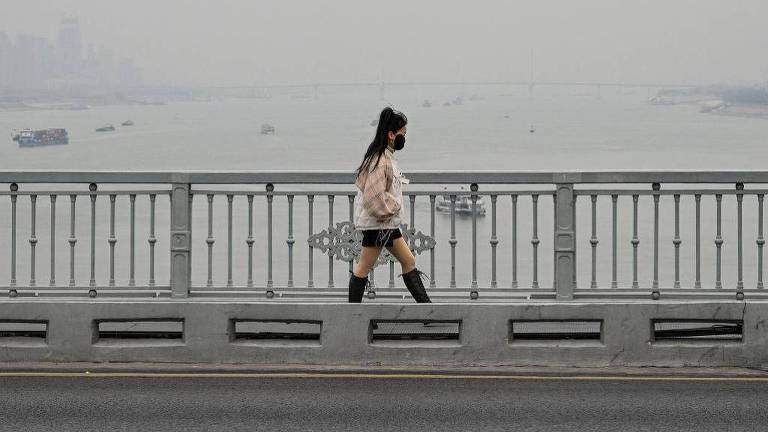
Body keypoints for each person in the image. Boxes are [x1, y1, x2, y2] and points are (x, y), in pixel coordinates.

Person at [348, 107, 431, 303]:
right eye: (402, 134)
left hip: (386, 224)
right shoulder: (380, 160)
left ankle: (428, 311)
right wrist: (395, 205)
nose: (404, 139)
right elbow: (373, 198)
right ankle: (352, 315)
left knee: (408, 260)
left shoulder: (383, 156)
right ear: (391, 134)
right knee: (363, 267)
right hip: (379, 224)